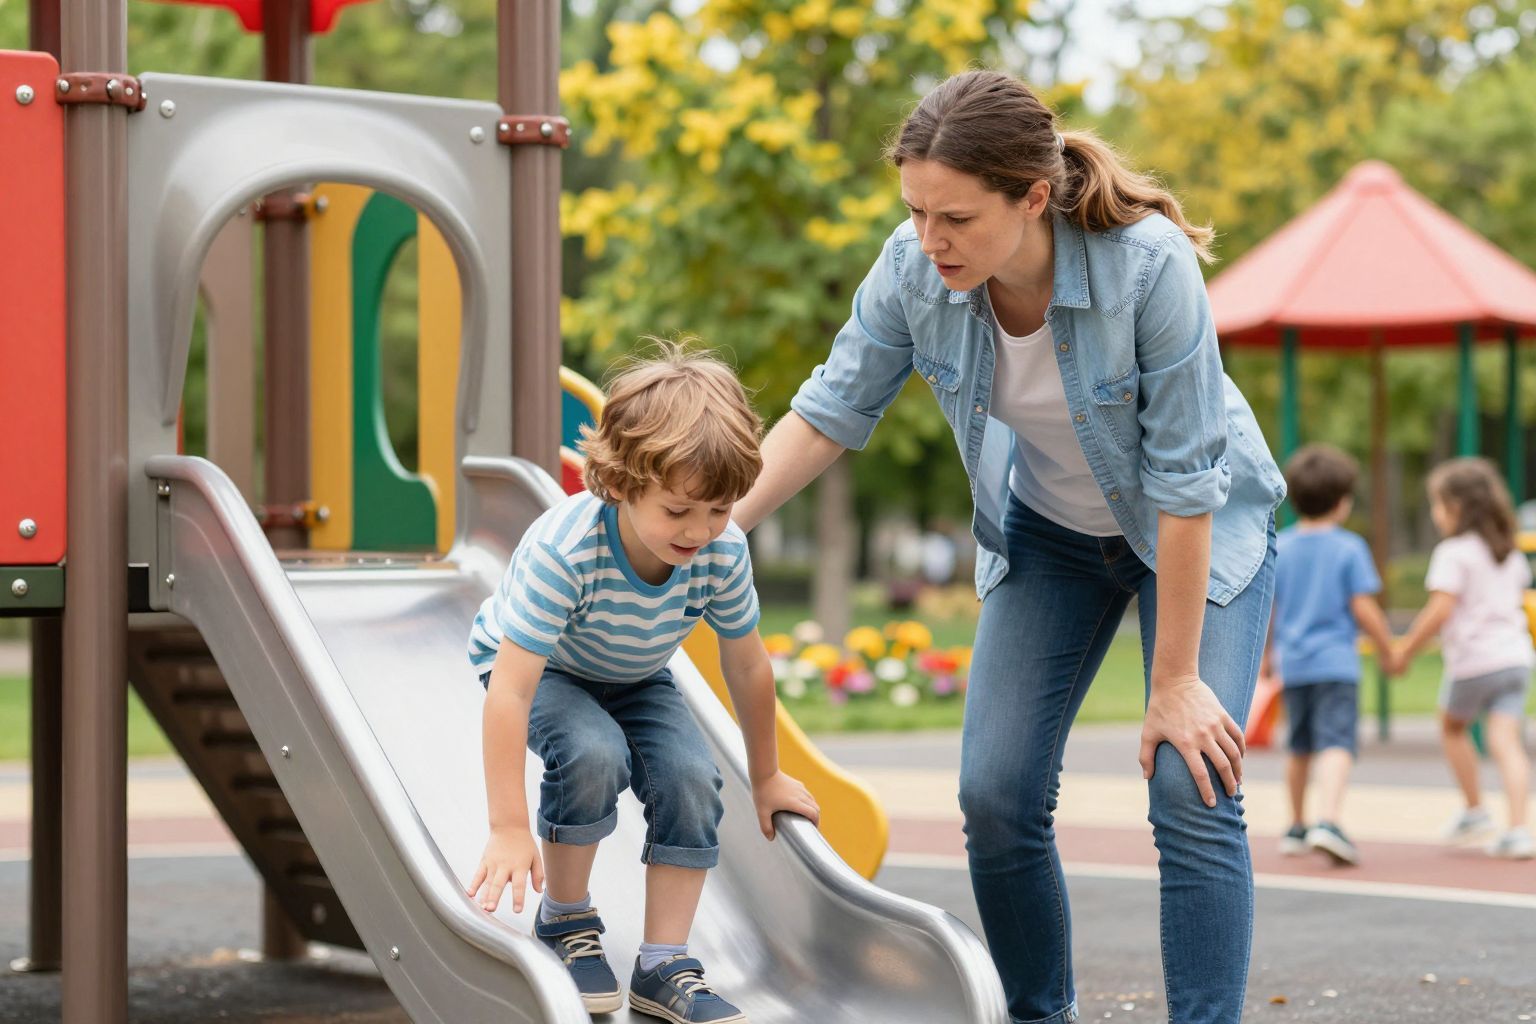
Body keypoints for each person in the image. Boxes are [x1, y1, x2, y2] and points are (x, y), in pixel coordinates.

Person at [733, 69, 1285, 1024]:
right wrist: (717, 526)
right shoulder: (912, 270)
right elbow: (829, 409)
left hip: (1198, 529)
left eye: (954, 217)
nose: (928, 239)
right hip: (1052, 536)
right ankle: (1041, 1015)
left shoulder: (1148, 267)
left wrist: (1175, 682)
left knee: (1192, 785)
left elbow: (1189, 484)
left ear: (1032, 198)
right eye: (914, 211)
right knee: (994, 797)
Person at [465, 344, 821, 1022]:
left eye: (718, 510)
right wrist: (508, 826)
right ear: (624, 485)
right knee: (593, 750)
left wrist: (769, 775)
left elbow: (746, 663)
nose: (701, 530)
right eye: (680, 510)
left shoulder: (719, 548)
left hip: (634, 671)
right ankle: (566, 921)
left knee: (691, 773)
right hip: (547, 669)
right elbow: (510, 690)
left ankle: (663, 965)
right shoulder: (565, 552)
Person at [1262, 444, 1396, 866]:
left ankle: (1297, 825)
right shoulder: (1349, 547)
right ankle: (1330, 821)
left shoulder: (1279, 545)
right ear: (1342, 503)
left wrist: (1267, 655)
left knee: (1299, 745)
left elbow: (1270, 609)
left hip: (1295, 664)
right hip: (1337, 663)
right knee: (1336, 742)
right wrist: (1389, 649)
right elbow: (1363, 607)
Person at [1394, 457, 1534, 860]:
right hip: (1516, 659)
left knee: (1453, 727)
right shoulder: (1508, 552)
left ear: (1457, 507)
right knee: (1506, 742)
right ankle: (1520, 828)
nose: (1436, 515)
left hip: (1475, 661)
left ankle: (1475, 811)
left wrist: (1405, 650)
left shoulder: (1453, 553)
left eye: (1438, 505)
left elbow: (1438, 611)